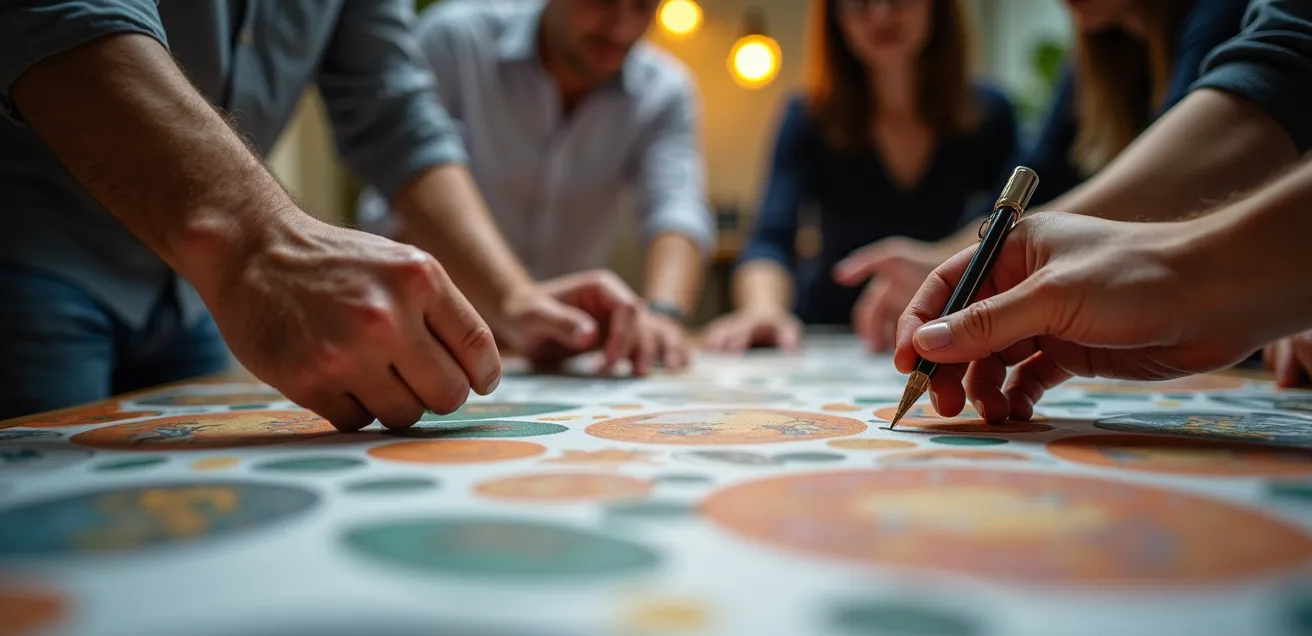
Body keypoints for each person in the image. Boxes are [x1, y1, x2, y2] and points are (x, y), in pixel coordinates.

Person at [0, 1, 665, 427]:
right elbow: (61, 11)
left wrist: (516, 299)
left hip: (191, 298)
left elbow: (397, 116)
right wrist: (260, 246)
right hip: (34, 258)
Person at [893, 0, 1312, 422]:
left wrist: (1197, 282)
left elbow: (1277, 83)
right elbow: (1043, 176)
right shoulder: (1095, 59)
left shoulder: (1221, 14)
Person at [841, 0, 1249, 352]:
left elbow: (1169, 178)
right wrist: (944, 259)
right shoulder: (1096, 59)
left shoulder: (1225, 13)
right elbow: (1030, 182)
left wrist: (948, 260)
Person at [356, 0, 713, 370]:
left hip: (567, 352)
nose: (621, 27)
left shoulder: (666, 90)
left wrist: (663, 312)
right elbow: (398, 202)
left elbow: (676, 207)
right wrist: (513, 301)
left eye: (642, 6)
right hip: (430, 337)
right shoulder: (456, 41)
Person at [701, 0, 1017, 353]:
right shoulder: (809, 116)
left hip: (943, 327)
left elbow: (1011, 228)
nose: (881, 14)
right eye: (859, 3)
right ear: (836, 18)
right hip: (829, 330)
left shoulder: (991, 113)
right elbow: (770, 239)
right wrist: (763, 309)